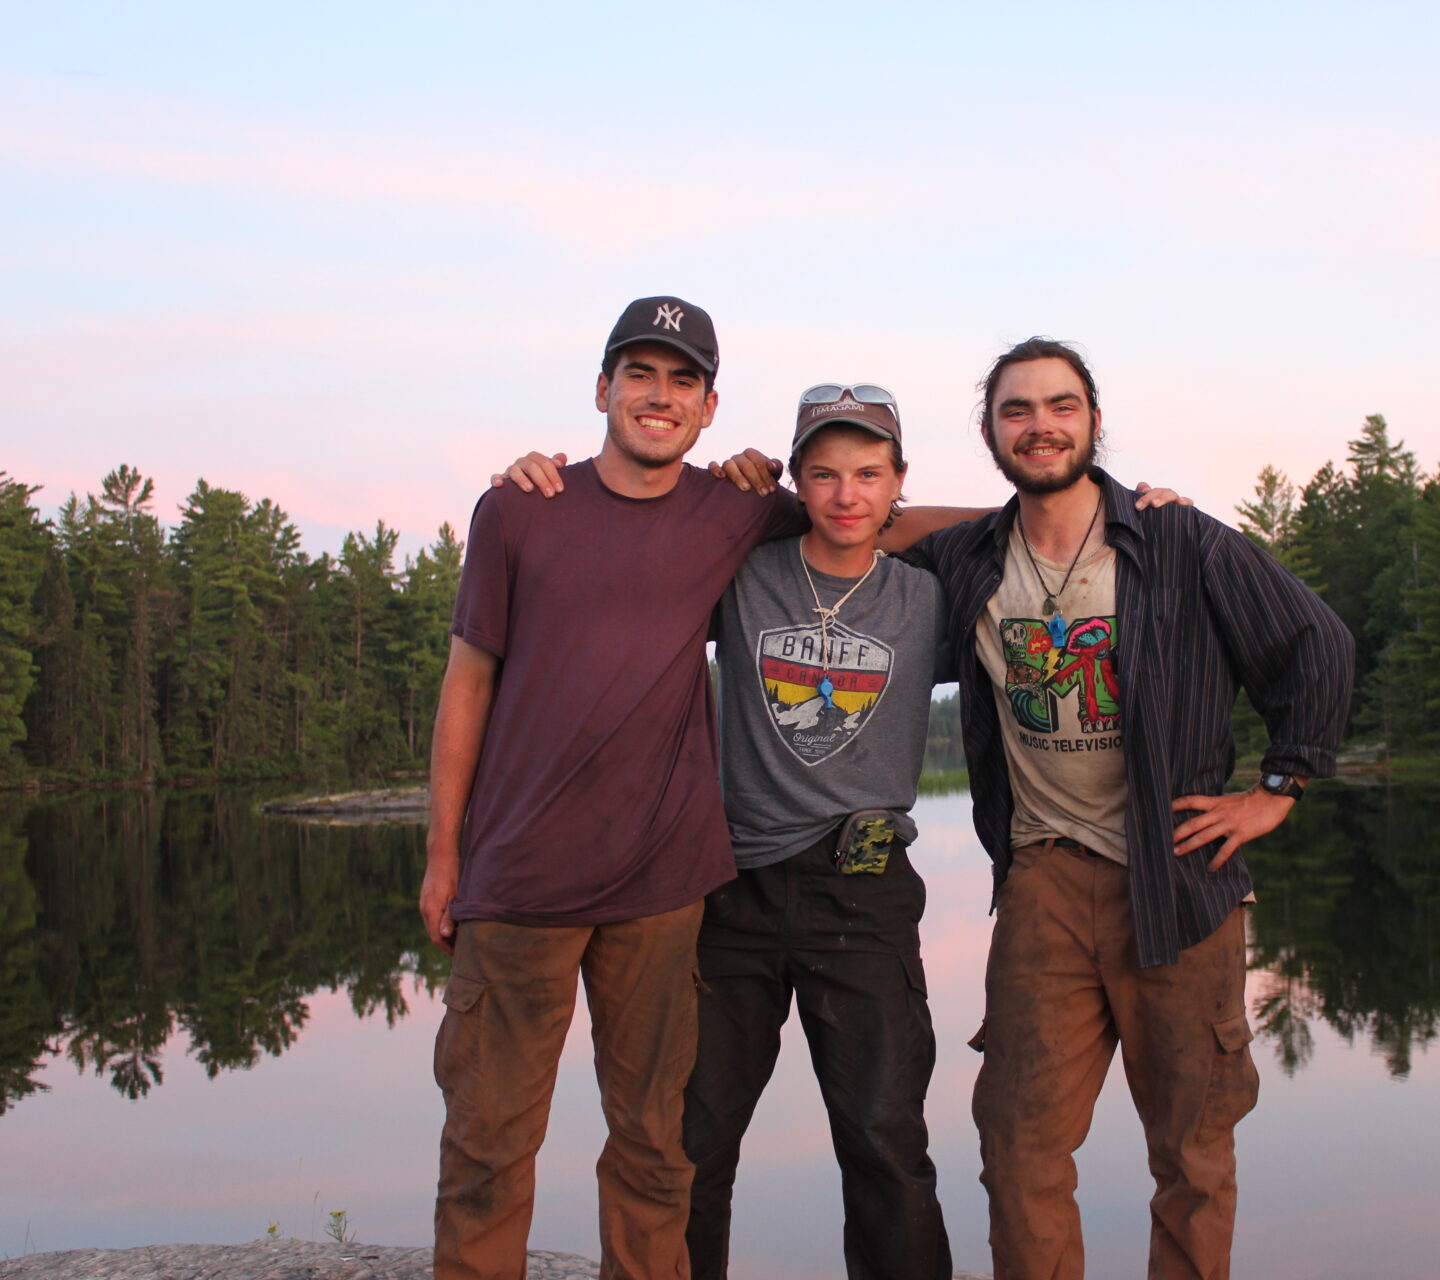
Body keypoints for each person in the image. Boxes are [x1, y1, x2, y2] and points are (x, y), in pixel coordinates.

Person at [720, 337, 1355, 1279]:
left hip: (1180, 873)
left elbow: (1318, 643)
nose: (1040, 425)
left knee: (1191, 1151)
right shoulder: (969, 560)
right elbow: (856, 524)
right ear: (990, 433)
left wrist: (1277, 790)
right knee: (1018, 1145)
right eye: (1016, 411)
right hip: (1045, 878)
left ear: (1094, 421)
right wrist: (751, 499)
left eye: (1061, 406)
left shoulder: (1180, 542)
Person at [420, 295, 810, 1280]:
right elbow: (467, 683)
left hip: (662, 884)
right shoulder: (519, 506)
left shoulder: (734, 510)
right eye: (640, 373)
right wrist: (442, 855)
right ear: (603, 389)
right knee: (485, 1145)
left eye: (683, 379)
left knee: (652, 1145)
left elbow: (863, 510)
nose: (659, 394)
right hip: (519, 884)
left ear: (710, 407)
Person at [684, 383, 952, 1279]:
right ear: (795, 480)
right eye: (825, 474)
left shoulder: (926, 600)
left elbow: (1033, 524)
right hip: (737, 892)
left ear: (898, 483)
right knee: (692, 1141)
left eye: (869, 474)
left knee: (883, 1140)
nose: (847, 496)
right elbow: (646, 523)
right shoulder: (742, 574)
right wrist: (734, 495)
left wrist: (1117, 501)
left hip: (863, 894)